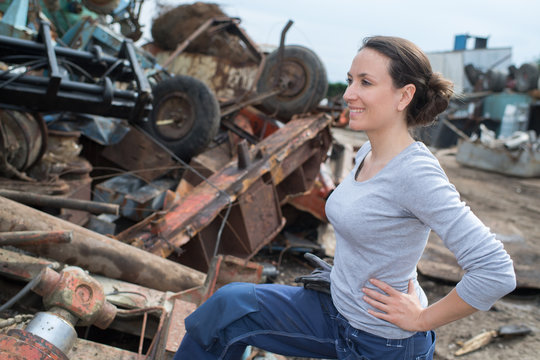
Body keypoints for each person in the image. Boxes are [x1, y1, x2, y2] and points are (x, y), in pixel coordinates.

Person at [173, 35, 516, 360]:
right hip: (335, 307)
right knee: (226, 309)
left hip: (379, 342)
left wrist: (422, 320)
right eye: (350, 80)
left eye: (365, 83)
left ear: (403, 96)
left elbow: (495, 271)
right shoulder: (365, 152)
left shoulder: (416, 174)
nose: (349, 93)